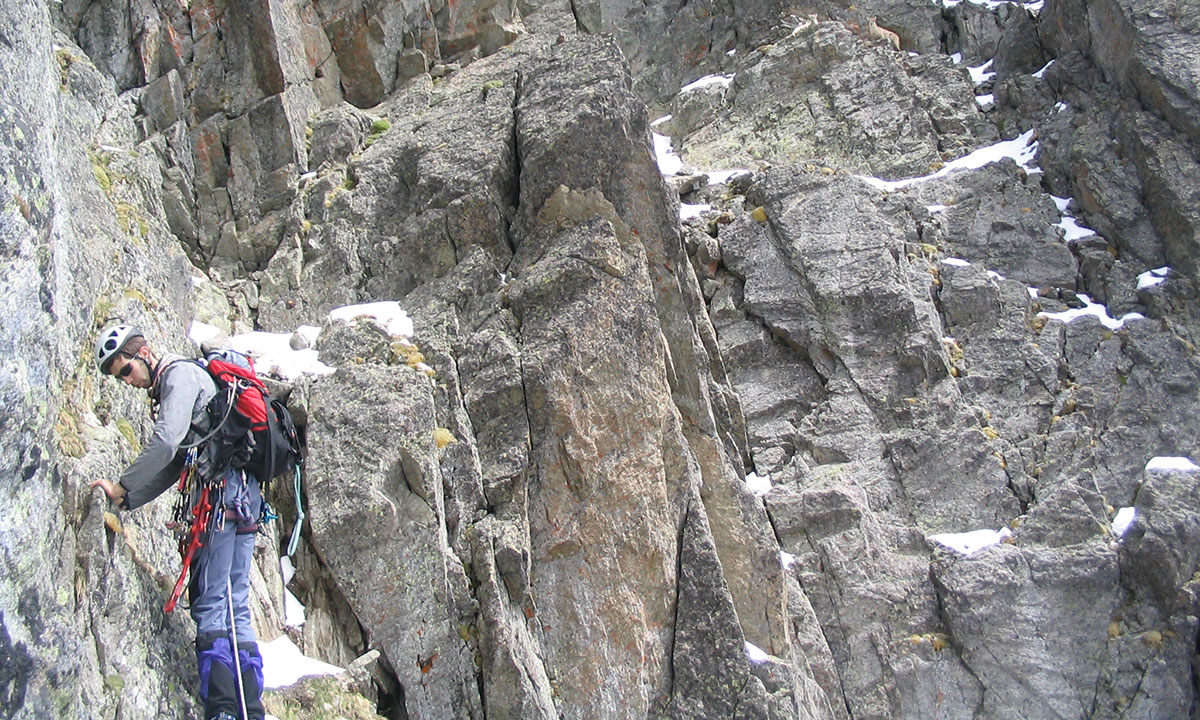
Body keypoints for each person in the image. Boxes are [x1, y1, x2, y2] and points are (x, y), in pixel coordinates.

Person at [90, 323, 266, 720]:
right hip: (243, 496)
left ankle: (224, 709)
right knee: (235, 603)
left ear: (143, 353)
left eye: (126, 370)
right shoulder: (189, 378)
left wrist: (122, 485)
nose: (127, 380)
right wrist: (130, 498)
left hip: (220, 499)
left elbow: (167, 441)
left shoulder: (178, 376)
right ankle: (248, 709)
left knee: (212, 603)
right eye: (120, 377)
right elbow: (176, 464)